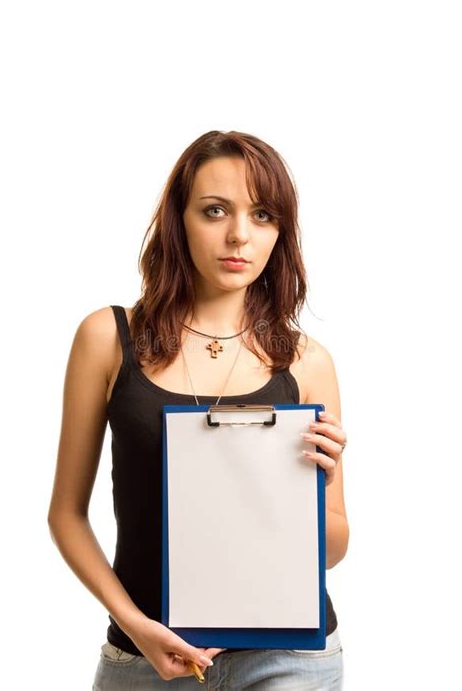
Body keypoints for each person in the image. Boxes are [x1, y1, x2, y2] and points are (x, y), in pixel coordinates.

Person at [47, 130, 349, 690]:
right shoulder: (109, 338)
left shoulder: (306, 361)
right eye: (215, 211)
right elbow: (66, 514)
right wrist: (136, 627)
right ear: (179, 219)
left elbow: (331, 551)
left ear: (280, 233)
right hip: (143, 655)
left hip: (287, 658)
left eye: (262, 215)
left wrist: (318, 485)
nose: (239, 235)